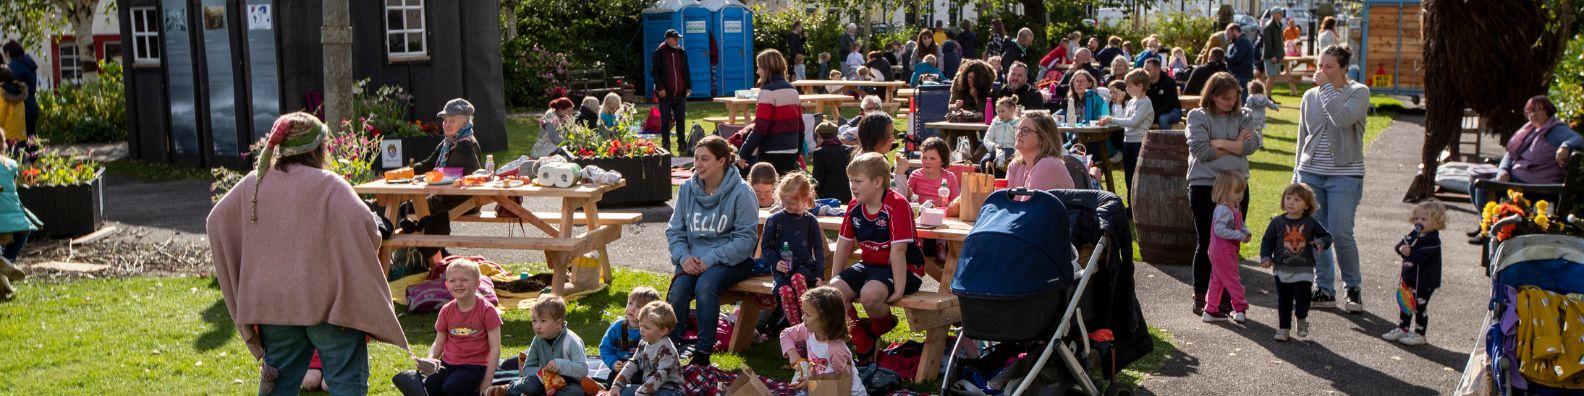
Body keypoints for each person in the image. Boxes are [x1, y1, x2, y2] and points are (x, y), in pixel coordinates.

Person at [208, 112, 407, 395]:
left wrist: (248, 271)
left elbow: (216, 222)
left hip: (275, 307)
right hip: (329, 307)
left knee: (279, 387)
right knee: (346, 384)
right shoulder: (330, 185)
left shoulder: (254, 182)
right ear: (317, 148)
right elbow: (370, 231)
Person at [665, 136, 758, 366]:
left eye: (705, 159)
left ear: (722, 160)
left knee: (706, 286)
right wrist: (683, 257)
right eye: (696, 158)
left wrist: (711, 259)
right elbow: (675, 231)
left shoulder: (741, 192)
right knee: (679, 290)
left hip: (732, 260)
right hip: (692, 259)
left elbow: (746, 240)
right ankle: (669, 349)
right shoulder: (687, 189)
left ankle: (703, 353)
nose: (698, 164)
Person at [1294, 46, 1370, 313]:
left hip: (1345, 174)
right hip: (1311, 172)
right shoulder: (1309, 96)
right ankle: (1324, 288)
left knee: (1340, 232)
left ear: (1343, 69)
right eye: (1320, 65)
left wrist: (1326, 89)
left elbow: (1341, 118)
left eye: (1329, 67)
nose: (1322, 71)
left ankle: (1353, 287)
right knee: (1316, 233)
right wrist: (1296, 176)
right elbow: (1302, 137)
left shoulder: (1359, 93)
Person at [832, 152, 923, 359]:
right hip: (871, 266)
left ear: (878, 182)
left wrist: (899, 290)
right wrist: (834, 280)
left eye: (858, 181)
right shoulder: (854, 205)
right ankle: (864, 345)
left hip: (905, 269)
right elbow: (843, 245)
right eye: (850, 181)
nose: (852, 186)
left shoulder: (897, 204)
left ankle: (880, 326)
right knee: (833, 294)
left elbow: (899, 252)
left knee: (870, 295)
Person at [1186, 72, 1261, 318]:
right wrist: (1233, 144)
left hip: (1236, 187)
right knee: (1208, 241)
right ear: (1213, 96)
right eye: (1225, 98)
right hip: (1204, 184)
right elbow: (1200, 151)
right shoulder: (1198, 116)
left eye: (1234, 97)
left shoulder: (1244, 116)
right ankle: (1201, 295)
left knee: (1230, 243)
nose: (1231, 102)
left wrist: (1216, 142)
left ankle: (1225, 297)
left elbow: (1250, 147)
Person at [1470, 95, 1582, 222]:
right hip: (1516, 178)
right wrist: (1503, 170)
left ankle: (1487, 228)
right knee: (1473, 183)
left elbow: (1578, 139)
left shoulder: (1556, 130)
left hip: (1535, 185)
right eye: (1529, 111)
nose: (1532, 114)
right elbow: (1511, 154)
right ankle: (1484, 225)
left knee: (1481, 187)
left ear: (1547, 111)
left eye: (1536, 110)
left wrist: (1565, 146)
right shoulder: (1531, 129)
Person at [417, 260, 503, 396]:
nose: (458, 284)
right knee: (429, 385)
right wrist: (431, 358)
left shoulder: (487, 310)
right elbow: (438, 342)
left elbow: (495, 348)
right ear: (446, 285)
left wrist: (487, 380)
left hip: (475, 366)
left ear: (477, 284)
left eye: (464, 280)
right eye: (452, 280)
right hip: (447, 363)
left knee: (452, 388)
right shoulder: (446, 310)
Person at [1258, 183, 1331, 342]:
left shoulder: (1311, 223)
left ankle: (1301, 317)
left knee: (1303, 298)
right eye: (1288, 198)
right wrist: (1265, 257)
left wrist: (1321, 242)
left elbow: (1327, 236)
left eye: (1297, 199)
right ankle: (1284, 328)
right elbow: (1267, 241)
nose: (1291, 202)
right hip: (1281, 269)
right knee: (1284, 300)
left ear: (1306, 205)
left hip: (1304, 270)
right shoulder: (1277, 222)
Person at [760, 172, 825, 328]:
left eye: (792, 203)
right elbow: (766, 246)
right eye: (784, 202)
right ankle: (797, 330)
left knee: (797, 279)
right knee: (785, 292)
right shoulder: (774, 220)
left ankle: (809, 322)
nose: (787, 206)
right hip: (782, 272)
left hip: (804, 269)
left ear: (805, 200)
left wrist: (819, 275)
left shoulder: (810, 221)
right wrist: (776, 263)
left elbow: (819, 250)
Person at [779, 287, 866, 394]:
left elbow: (840, 380)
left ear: (825, 320)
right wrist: (796, 359)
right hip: (819, 384)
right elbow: (786, 334)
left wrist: (811, 383)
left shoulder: (836, 349)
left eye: (808, 314)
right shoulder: (808, 330)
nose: (802, 318)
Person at [495, 295, 588, 396]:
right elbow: (527, 369)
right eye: (534, 321)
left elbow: (583, 370)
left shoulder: (571, 341)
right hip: (543, 381)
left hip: (568, 383)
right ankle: (508, 390)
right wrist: (544, 373)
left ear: (558, 323)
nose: (537, 326)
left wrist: (560, 365)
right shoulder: (537, 340)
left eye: (543, 321)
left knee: (575, 392)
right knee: (529, 385)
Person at [1383, 200, 1446, 347]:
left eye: (1424, 219)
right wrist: (1401, 248)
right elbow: (1399, 245)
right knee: (1405, 303)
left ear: (1436, 222)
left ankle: (1420, 334)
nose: (1419, 222)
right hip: (1409, 278)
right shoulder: (1414, 234)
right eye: (1417, 218)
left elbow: (1418, 257)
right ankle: (1403, 328)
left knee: (1419, 307)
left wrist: (1408, 252)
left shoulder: (1433, 240)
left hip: (1425, 282)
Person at [740, 50, 806, 174]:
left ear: (767, 68)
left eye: (759, 67)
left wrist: (744, 153)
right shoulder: (792, 90)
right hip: (791, 150)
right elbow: (800, 125)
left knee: (767, 190)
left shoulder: (767, 91)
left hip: (771, 151)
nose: (757, 71)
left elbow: (760, 128)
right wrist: (798, 149)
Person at [603, 301, 685, 396]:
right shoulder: (643, 343)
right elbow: (633, 364)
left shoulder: (667, 349)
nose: (641, 329)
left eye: (646, 327)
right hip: (649, 389)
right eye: (640, 324)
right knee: (623, 392)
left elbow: (661, 375)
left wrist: (641, 393)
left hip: (671, 391)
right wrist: (616, 386)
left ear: (663, 331)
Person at [1201, 172, 1251, 323]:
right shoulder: (1223, 209)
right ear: (1224, 191)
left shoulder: (1235, 207)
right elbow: (1219, 230)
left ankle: (1210, 309)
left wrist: (1245, 231)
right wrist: (1239, 235)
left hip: (1224, 252)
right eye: (1236, 192)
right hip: (1222, 252)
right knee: (1232, 279)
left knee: (1218, 280)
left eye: (1241, 191)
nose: (1240, 195)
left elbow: (1239, 223)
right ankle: (1240, 308)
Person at [1097, 69, 1154, 192]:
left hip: (1138, 143)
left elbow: (1133, 122)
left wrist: (1112, 119)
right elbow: (1123, 120)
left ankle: (1136, 207)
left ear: (1140, 86)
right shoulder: (1132, 102)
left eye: (1129, 86)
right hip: (1127, 142)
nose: (1126, 89)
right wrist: (1115, 108)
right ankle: (1129, 207)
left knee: (1137, 177)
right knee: (1128, 177)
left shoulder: (1145, 103)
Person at [909, 137, 959, 261]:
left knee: (943, 219)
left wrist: (945, 207)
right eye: (924, 158)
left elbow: (955, 201)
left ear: (942, 161)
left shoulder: (949, 177)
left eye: (932, 158)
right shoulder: (915, 175)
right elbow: (908, 197)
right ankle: (917, 246)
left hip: (941, 214)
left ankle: (941, 246)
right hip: (921, 213)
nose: (927, 162)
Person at [1007, 111, 1078, 190]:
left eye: (1025, 130)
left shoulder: (1048, 164)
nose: (1018, 134)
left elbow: (1029, 202)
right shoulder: (1015, 165)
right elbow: (999, 200)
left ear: (1042, 139)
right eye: (1017, 129)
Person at [599, 287, 662, 373]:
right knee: (612, 383)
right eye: (630, 303)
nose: (632, 309)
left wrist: (635, 364)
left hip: (643, 369)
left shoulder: (651, 330)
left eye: (638, 306)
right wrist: (613, 362)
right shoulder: (617, 327)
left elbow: (655, 353)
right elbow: (605, 347)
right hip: (620, 367)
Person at [0, 138, 32, 300]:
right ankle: (7, 261)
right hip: (15, 221)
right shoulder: (11, 165)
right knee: (23, 233)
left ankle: (3, 263)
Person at [651, 29, 692, 153]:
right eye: (675, 38)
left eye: (677, 38)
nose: (677, 41)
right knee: (665, 120)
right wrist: (660, 88)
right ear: (668, 39)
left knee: (681, 119)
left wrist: (688, 86)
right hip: (665, 93)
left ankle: (682, 144)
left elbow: (686, 71)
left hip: (680, 92)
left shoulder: (682, 53)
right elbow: (655, 72)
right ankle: (666, 144)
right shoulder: (658, 53)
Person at [855, 113, 910, 197]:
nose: (893, 139)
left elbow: (891, 187)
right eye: (889, 136)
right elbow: (895, 199)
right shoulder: (869, 166)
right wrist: (900, 172)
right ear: (876, 139)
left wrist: (896, 175)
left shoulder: (873, 158)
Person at [2, 42, 37, 141]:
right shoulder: (29, 63)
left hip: (21, 108)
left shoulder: (14, 66)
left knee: (22, 142)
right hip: (32, 104)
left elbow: (12, 88)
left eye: (5, 54)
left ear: (8, 53)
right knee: (31, 138)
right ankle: (33, 156)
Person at [811, 121, 853, 202]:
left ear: (819, 135)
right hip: (847, 196)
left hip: (827, 199)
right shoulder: (848, 150)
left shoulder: (819, 152)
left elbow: (817, 180)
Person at [981, 96, 1021, 176]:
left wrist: (1016, 152)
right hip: (996, 149)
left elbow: (1019, 140)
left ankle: (999, 183)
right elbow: (987, 138)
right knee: (984, 161)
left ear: (1012, 110)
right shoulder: (995, 123)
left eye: (1003, 111)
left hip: (1010, 150)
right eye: (998, 111)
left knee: (999, 162)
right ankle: (986, 183)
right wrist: (994, 146)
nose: (1000, 114)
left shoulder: (1017, 124)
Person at [1143, 58, 1184, 129]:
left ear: (1157, 70)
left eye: (1148, 70)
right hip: (1153, 112)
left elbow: (1168, 106)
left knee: (1163, 118)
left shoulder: (1169, 82)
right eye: (1144, 69)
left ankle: (1165, 139)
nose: (1145, 72)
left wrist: (1151, 116)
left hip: (1172, 111)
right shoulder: (1145, 82)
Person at [1224, 24, 1256, 96]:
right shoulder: (1236, 42)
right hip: (1238, 75)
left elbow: (1236, 58)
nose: (1228, 36)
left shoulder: (1242, 42)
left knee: (1242, 100)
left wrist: (1223, 57)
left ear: (1235, 31)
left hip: (1242, 76)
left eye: (1229, 33)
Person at [1261, 7, 1288, 89]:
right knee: (1271, 77)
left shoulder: (1278, 25)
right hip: (1271, 57)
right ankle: (1268, 97)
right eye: (1280, 13)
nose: (1282, 15)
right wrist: (1272, 56)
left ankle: (1268, 96)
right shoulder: (1269, 26)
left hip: (1277, 56)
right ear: (1274, 14)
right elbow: (1268, 43)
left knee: (1273, 77)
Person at [0, 65, 27, 144]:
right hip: (21, 133)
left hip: (7, 134)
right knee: (19, 155)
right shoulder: (19, 89)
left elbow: (1, 113)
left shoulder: (2, 91)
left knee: (8, 155)